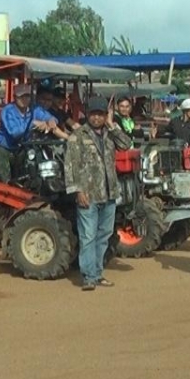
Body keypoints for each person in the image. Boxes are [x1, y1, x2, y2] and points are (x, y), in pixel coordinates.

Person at [65, 97, 132, 291]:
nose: (96, 118)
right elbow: (71, 166)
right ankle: (88, 276)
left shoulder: (110, 134)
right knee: (88, 236)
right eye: (93, 114)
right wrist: (78, 190)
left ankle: (97, 272)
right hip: (88, 193)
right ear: (88, 114)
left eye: (100, 114)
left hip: (109, 193)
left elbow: (126, 144)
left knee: (104, 235)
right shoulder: (78, 135)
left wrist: (113, 126)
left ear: (105, 115)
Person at [0, 85, 67, 182]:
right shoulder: (7, 110)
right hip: (3, 147)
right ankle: (6, 185)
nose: (24, 99)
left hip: (22, 147)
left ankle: (38, 182)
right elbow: (15, 132)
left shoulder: (34, 108)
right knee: (1, 153)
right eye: (21, 96)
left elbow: (49, 117)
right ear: (15, 97)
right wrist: (33, 123)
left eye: (27, 96)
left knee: (36, 152)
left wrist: (51, 121)